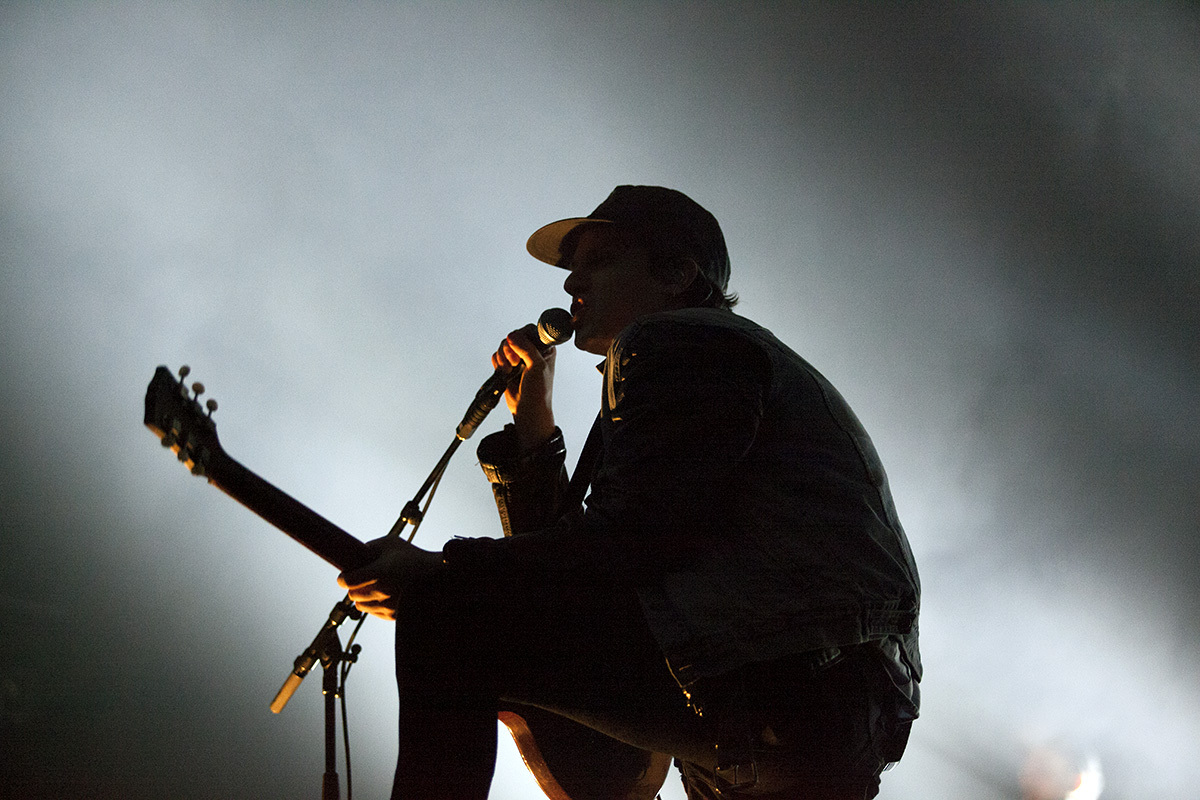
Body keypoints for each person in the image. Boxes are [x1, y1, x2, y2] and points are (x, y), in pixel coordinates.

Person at [339, 185, 922, 800]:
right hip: (809, 701)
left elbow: (630, 545)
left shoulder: (687, 343)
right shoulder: (689, 359)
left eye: (601, 260)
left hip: (792, 679)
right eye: (572, 270)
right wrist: (533, 418)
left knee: (449, 614)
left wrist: (444, 572)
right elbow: (600, 559)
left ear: (676, 272)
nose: (570, 285)